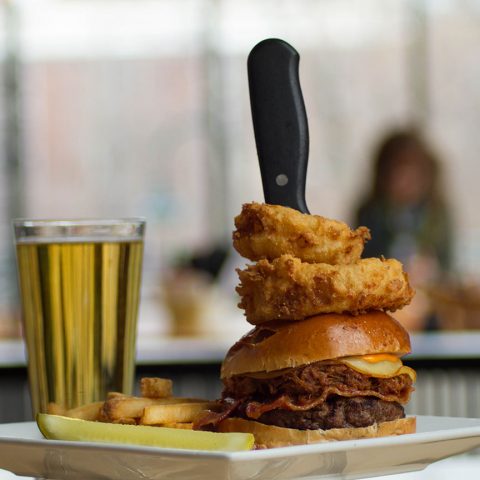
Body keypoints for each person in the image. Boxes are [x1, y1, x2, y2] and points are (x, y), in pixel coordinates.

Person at [355, 129, 452, 330]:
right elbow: (358, 265)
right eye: (397, 171)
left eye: (412, 172)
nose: (404, 180)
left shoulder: (437, 213)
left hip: (429, 310)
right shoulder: (369, 214)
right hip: (381, 306)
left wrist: (431, 270)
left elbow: (447, 264)